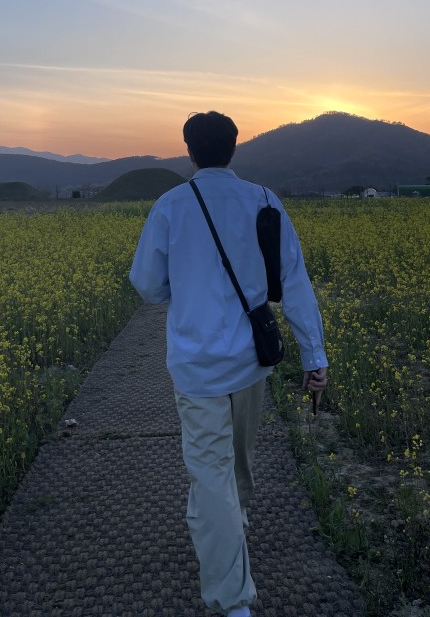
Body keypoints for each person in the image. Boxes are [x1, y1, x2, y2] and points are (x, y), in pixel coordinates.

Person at [130, 111, 328, 617]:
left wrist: (189, 285)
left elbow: (148, 285)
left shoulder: (171, 205)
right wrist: (314, 357)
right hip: (249, 361)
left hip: (196, 367)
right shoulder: (264, 201)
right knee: (236, 463)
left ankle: (231, 594)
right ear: (235, 147)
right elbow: (296, 283)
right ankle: (232, 576)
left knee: (212, 473)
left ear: (189, 150)